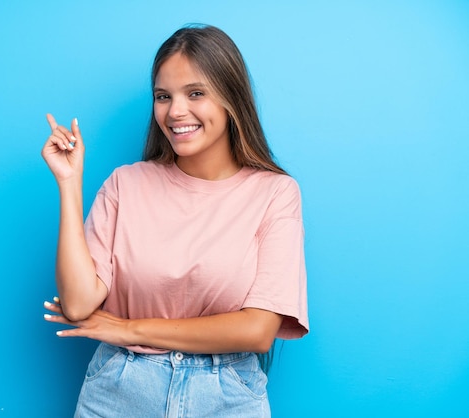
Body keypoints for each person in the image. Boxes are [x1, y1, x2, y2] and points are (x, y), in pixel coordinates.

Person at [41, 24, 308, 417]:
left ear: (231, 99)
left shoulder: (275, 193)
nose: (175, 111)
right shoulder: (125, 184)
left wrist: (128, 329)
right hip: (119, 391)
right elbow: (79, 305)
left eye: (195, 93)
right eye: (163, 96)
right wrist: (69, 183)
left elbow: (257, 331)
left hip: (226, 397)